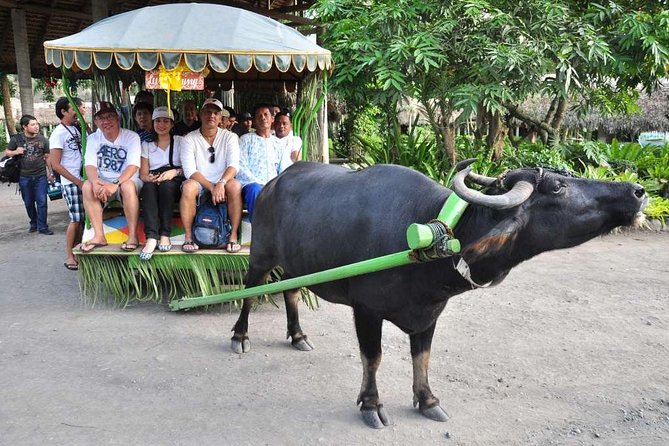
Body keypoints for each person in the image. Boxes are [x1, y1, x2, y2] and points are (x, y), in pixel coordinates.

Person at [180, 98, 242, 253]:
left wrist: (221, 183)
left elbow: (233, 166)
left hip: (223, 182)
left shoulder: (230, 137)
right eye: (208, 112)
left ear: (221, 117)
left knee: (235, 186)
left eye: (216, 113)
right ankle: (189, 237)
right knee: (188, 187)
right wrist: (212, 187)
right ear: (200, 115)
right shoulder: (189, 139)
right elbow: (190, 171)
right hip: (200, 183)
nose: (211, 116)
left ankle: (233, 236)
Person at [80, 102, 142, 253]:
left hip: (127, 180)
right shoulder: (94, 138)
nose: (106, 121)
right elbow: (90, 165)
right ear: (96, 122)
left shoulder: (131, 136)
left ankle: (133, 236)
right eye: (101, 118)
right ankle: (99, 236)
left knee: (127, 186)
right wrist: (95, 182)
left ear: (117, 118)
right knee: (87, 185)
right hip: (103, 181)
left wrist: (115, 183)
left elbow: (133, 166)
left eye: (109, 116)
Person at [138, 107, 185, 261]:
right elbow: (143, 174)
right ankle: (151, 237)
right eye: (158, 121)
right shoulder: (147, 144)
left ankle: (165, 233)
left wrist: (174, 172)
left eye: (166, 121)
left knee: (167, 186)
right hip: (155, 177)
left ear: (172, 124)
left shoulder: (180, 141)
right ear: (153, 123)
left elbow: (190, 169)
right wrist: (150, 178)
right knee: (148, 188)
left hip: (175, 178)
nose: (161, 124)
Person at [49, 97, 87, 270]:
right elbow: (55, 164)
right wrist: (77, 181)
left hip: (80, 180)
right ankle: (69, 256)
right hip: (71, 182)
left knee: (83, 219)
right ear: (63, 111)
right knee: (76, 219)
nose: (79, 111)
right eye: (75, 108)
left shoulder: (75, 129)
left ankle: (78, 251)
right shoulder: (58, 133)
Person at [237, 104, 292, 223]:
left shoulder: (278, 144)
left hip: (273, 184)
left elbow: (284, 168)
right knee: (255, 190)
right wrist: (259, 183)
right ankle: (260, 228)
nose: (263, 118)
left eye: (266, 114)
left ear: (272, 119)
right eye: (259, 116)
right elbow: (240, 166)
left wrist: (276, 183)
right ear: (255, 121)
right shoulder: (245, 140)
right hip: (251, 184)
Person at [5, 115, 53, 235]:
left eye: (37, 124)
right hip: (24, 176)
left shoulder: (43, 140)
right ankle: (34, 223)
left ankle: (42, 227)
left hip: (41, 175)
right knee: (28, 202)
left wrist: (50, 172)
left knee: (42, 201)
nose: (36, 126)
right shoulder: (16, 139)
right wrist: (16, 152)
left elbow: (47, 157)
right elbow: (7, 152)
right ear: (25, 127)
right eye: (33, 124)